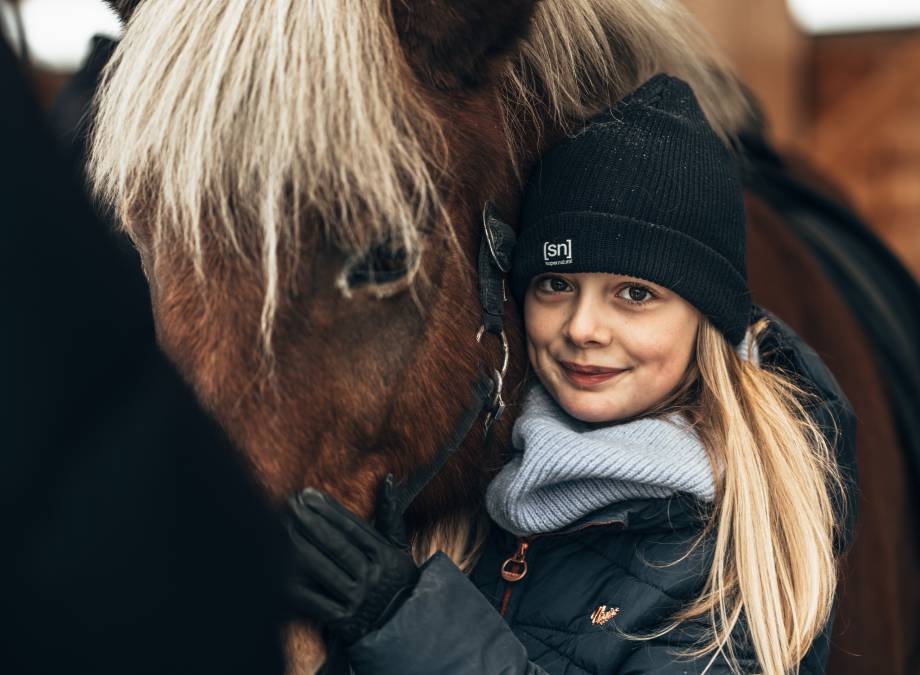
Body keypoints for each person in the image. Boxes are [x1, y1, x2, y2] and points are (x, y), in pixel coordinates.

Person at [284, 74, 857, 674]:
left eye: (634, 293)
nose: (583, 327)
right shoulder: (474, 483)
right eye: (556, 284)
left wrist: (404, 624)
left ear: (705, 321)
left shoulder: (741, 552)